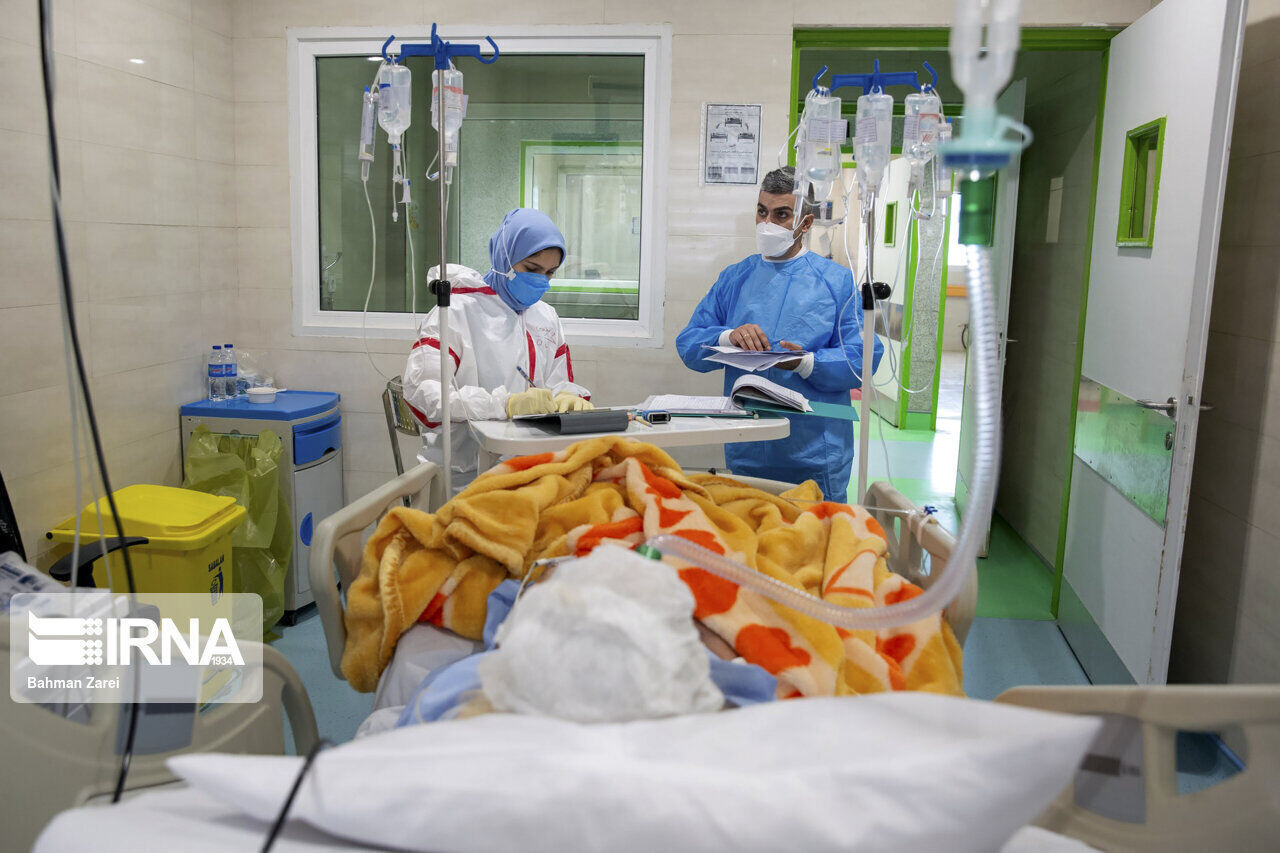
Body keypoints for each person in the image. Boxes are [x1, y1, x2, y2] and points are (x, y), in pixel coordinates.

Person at [676, 166, 883, 501]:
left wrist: (805, 362)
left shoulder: (836, 281)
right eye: (762, 212)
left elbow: (864, 356)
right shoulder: (735, 277)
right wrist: (728, 337)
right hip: (747, 445)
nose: (767, 223)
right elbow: (688, 343)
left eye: (781, 215)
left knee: (817, 531)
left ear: (806, 222)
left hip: (815, 451)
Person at [403, 208, 593, 492]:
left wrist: (569, 397)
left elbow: (557, 383)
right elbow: (423, 394)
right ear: (504, 258)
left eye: (550, 273)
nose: (542, 281)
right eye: (532, 269)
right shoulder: (455, 312)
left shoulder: (546, 317)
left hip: (534, 469)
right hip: (463, 476)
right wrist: (504, 405)